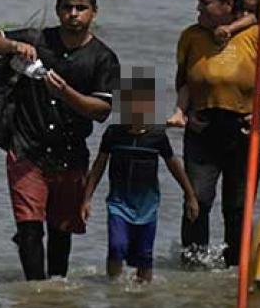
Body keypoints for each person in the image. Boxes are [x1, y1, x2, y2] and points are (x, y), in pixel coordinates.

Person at [0, 0, 121, 281]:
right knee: (29, 228)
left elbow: (102, 112)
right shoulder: (37, 41)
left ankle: (55, 294)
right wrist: (14, 45)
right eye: (67, 7)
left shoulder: (103, 59)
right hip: (27, 149)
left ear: (94, 11)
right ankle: (34, 296)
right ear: (57, 9)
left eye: (81, 8)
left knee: (61, 231)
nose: (73, 14)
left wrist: (66, 93)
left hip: (71, 154)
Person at [170, 0, 260, 266]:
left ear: (228, 4)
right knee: (197, 201)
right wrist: (180, 110)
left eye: (205, 3)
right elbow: (183, 81)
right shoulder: (191, 37)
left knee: (237, 207)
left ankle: (235, 268)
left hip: (244, 129)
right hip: (203, 128)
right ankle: (192, 268)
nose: (198, 9)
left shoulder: (258, 37)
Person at [83, 72, 199, 283]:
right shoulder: (114, 133)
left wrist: (190, 195)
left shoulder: (156, 136)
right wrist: (86, 199)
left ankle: (143, 294)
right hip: (118, 203)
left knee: (144, 257)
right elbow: (99, 164)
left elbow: (174, 165)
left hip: (147, 206)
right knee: (116, 247)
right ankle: (113, 287)